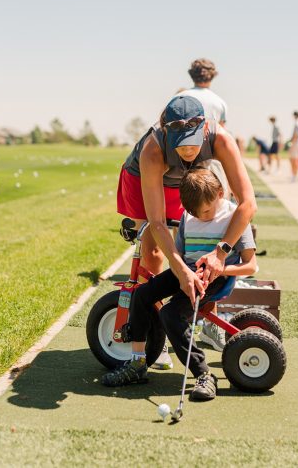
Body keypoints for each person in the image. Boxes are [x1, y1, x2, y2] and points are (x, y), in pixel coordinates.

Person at [116, 95, 256, 365]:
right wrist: (179, 269)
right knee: (153, 249)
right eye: (180, 145)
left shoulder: (221, 139)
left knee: (206, 235)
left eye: (193, 143)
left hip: (185, 179)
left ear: (204, 128)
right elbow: (157, 222)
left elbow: (248, 203)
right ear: (166, 131)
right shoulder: (152, 151)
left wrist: (221, 252)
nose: (188, 150)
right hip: (143, 179)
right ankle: (156, 333)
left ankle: (203, 319)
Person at [104, 168, 257, 400]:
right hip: (187, 272)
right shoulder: (189, 217)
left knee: (170, 314)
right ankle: (137, 363)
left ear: (219, 193)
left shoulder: (235, 218)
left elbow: (251, 266)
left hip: (215, 279)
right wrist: (184, 274)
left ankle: (203, 373)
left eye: (206, 211)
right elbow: (182, 257)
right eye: (195, 214)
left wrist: (219, 268)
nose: (202, 217)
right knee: (142, 294)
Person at [175, 59, 231, 350]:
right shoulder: (219, 101)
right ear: (212, 76)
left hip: (184, 178)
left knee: (188, 248)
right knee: (215, 244)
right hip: (211, 177)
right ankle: (210, 325)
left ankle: (179, 321)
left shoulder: (180, 98)